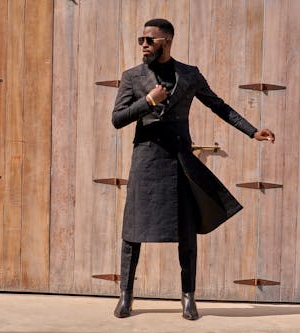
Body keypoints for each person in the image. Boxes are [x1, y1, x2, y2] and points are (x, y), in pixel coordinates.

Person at [111, 18, 275, 320]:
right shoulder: (132, 77)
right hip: (146, 162)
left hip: (180, 162)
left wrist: (252, 131)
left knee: (186, 232)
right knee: (132, 231)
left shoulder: (189, 75)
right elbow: (118, 118)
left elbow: (219, 106)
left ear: (167, 41)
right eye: (141, 40)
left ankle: (188, 298)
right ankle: (126, 296)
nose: (144, 45)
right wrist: (148, 101)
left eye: (150, 40)